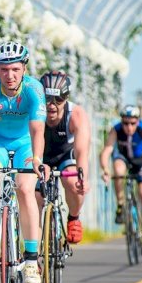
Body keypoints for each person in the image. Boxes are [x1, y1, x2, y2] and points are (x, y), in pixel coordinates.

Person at [0, 41, 46, 283]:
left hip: (25, 144)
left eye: (15, 69)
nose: (10, 75)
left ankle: (32, 261)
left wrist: (36, 158)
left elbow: (37, 129)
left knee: (25, 189)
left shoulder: (34, 89)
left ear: (24, 68)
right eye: (4, 70)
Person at [38, 70, 91, 244]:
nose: (52, 105)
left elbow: (82, 150)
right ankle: (35, 249)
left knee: (72, 180)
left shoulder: (76, 114)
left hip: (65, 155)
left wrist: (82, 176)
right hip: (40, 156)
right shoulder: (34, 111)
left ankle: (73, 217)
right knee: (35, 196)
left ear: (66, 98)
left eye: (58, 99)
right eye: (47, 99)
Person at [99, 104, 142, 255]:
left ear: (138, 121)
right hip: (123, 159)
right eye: (125, 123)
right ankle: (120, 205)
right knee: (118, 170)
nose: (129, 127)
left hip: (140, 163)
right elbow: (106, 151)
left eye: (132, 123)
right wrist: (105, 169)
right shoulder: (116, 129)